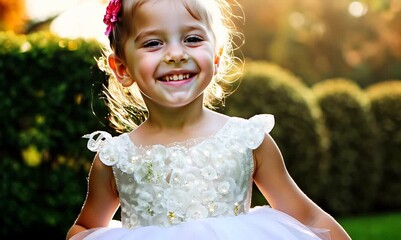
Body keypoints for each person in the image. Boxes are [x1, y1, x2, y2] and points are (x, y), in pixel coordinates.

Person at [66, 0, 351, 239]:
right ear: (122, 67)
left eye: (192, 39)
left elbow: (308, 216)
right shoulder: (115, 158)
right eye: (153, 43)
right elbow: (86, 228)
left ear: (216, 57)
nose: (176, 54)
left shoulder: (247, 140)